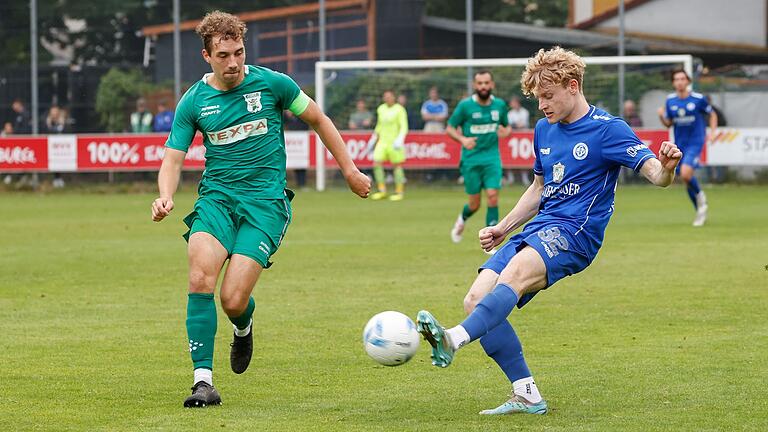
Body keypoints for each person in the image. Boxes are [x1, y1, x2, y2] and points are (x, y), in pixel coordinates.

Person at [416, 46, 682, 416]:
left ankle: (452, 338)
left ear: (572, 86)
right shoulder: (545, 129)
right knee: (476, 300)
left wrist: (667, 167)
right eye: (538, 97)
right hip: (538, 229)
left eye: (548, 95)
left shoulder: (608, 130)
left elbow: (656, 175)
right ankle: (526, 394)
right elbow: (541, 188)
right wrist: (503, 226)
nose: (541, 105)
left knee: (513, 276)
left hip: (575, 234)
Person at [151, 10, 370, 408]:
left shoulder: (273, 84)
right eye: (223, 55)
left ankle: (243, 325)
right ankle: (203, 382)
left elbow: (319, 119)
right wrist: (165, 194)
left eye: (238, 52)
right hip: (216, 200)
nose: (233, 62)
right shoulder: (194, 101)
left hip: (265, 205)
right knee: (200, 274)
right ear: (206, 56)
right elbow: (173, 157)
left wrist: (350, 171)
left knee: (233, 299)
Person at [447, 70, 511, 247]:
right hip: (471, 160)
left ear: (492, 85)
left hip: (492, 158)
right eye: (480, 83)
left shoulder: (499, 105)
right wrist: (463, 139)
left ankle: (491, 240)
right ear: (475, 86)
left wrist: (505, 132)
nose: (483, 86)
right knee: (474, 204)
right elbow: (450, 128)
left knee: (492, 196)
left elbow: (507, 128)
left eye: (486, 83)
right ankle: (461, 219)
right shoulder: (465, 106)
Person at [657, 69, 717, 226]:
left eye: (683, 79)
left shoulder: (698, 99)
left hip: (695, 142)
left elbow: (712, 114)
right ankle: (700, 210)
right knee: (686, 179)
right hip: (679, 144)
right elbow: (669, 123)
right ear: (673, 82)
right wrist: (661, 116)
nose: (680, 82)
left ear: (688, 81)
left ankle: (701, 197)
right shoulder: (670, 101)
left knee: (685, 174)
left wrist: (713, 132)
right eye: (676, 79)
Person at [369, 90, 408, 201]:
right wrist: (374, 137)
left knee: (397, 165)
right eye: (385, 96)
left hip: (394, 142)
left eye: (389, 96)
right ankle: (382, 190)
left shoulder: (399, 109)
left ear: (393, 97)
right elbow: (379, 125)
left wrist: (400, 139)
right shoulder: (381, 109)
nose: (387, 98)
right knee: (376, 163)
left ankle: (399, 191)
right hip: (383, 141)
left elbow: (404, 126)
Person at [505, 95, 532, 185]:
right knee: (509, 158)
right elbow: (509, 125)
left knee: (524, 159)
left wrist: (515, 125)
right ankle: (510, 178)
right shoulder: (510, 113)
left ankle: (525, 178)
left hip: (523, 138)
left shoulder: (525, 112)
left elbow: (523, 124)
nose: (512, 105)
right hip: (512, 139)